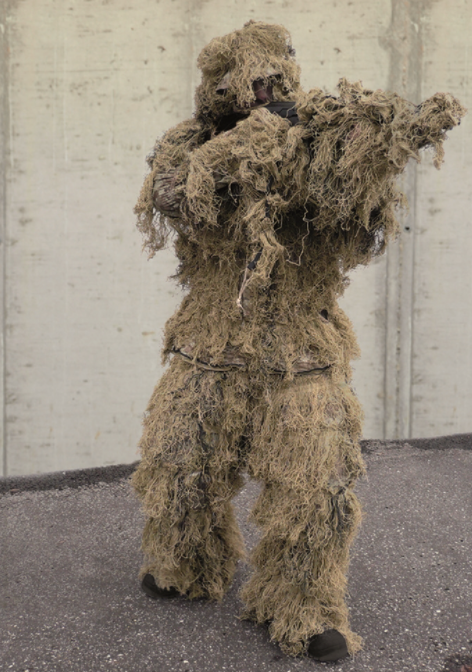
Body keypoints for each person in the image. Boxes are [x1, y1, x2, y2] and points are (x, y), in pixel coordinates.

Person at [132, 21, 465, 662]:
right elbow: (176, 196)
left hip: (299, 348)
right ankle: (184, 561)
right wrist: (249, 144)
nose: (258, 88)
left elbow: (355, 204)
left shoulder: (313, 134)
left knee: (316, 486)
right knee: (179, 463)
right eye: (240, 80)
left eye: (270, 77)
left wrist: (371, 143)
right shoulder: (189, 143)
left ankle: (304, 607)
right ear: (215, 87)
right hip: (209, 341)